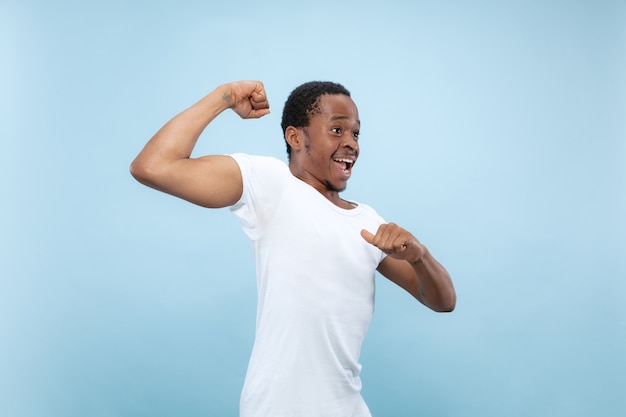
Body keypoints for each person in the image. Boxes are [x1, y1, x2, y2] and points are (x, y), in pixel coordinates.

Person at [130, 80, 456, 417]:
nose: (350, 144)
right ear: (295, 137)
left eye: (356, 134)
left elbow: (443, 301)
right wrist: (223, 97)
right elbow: (152, 167)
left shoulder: (367, 222)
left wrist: (420, 257)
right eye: (337, 129)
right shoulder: (271, 183)